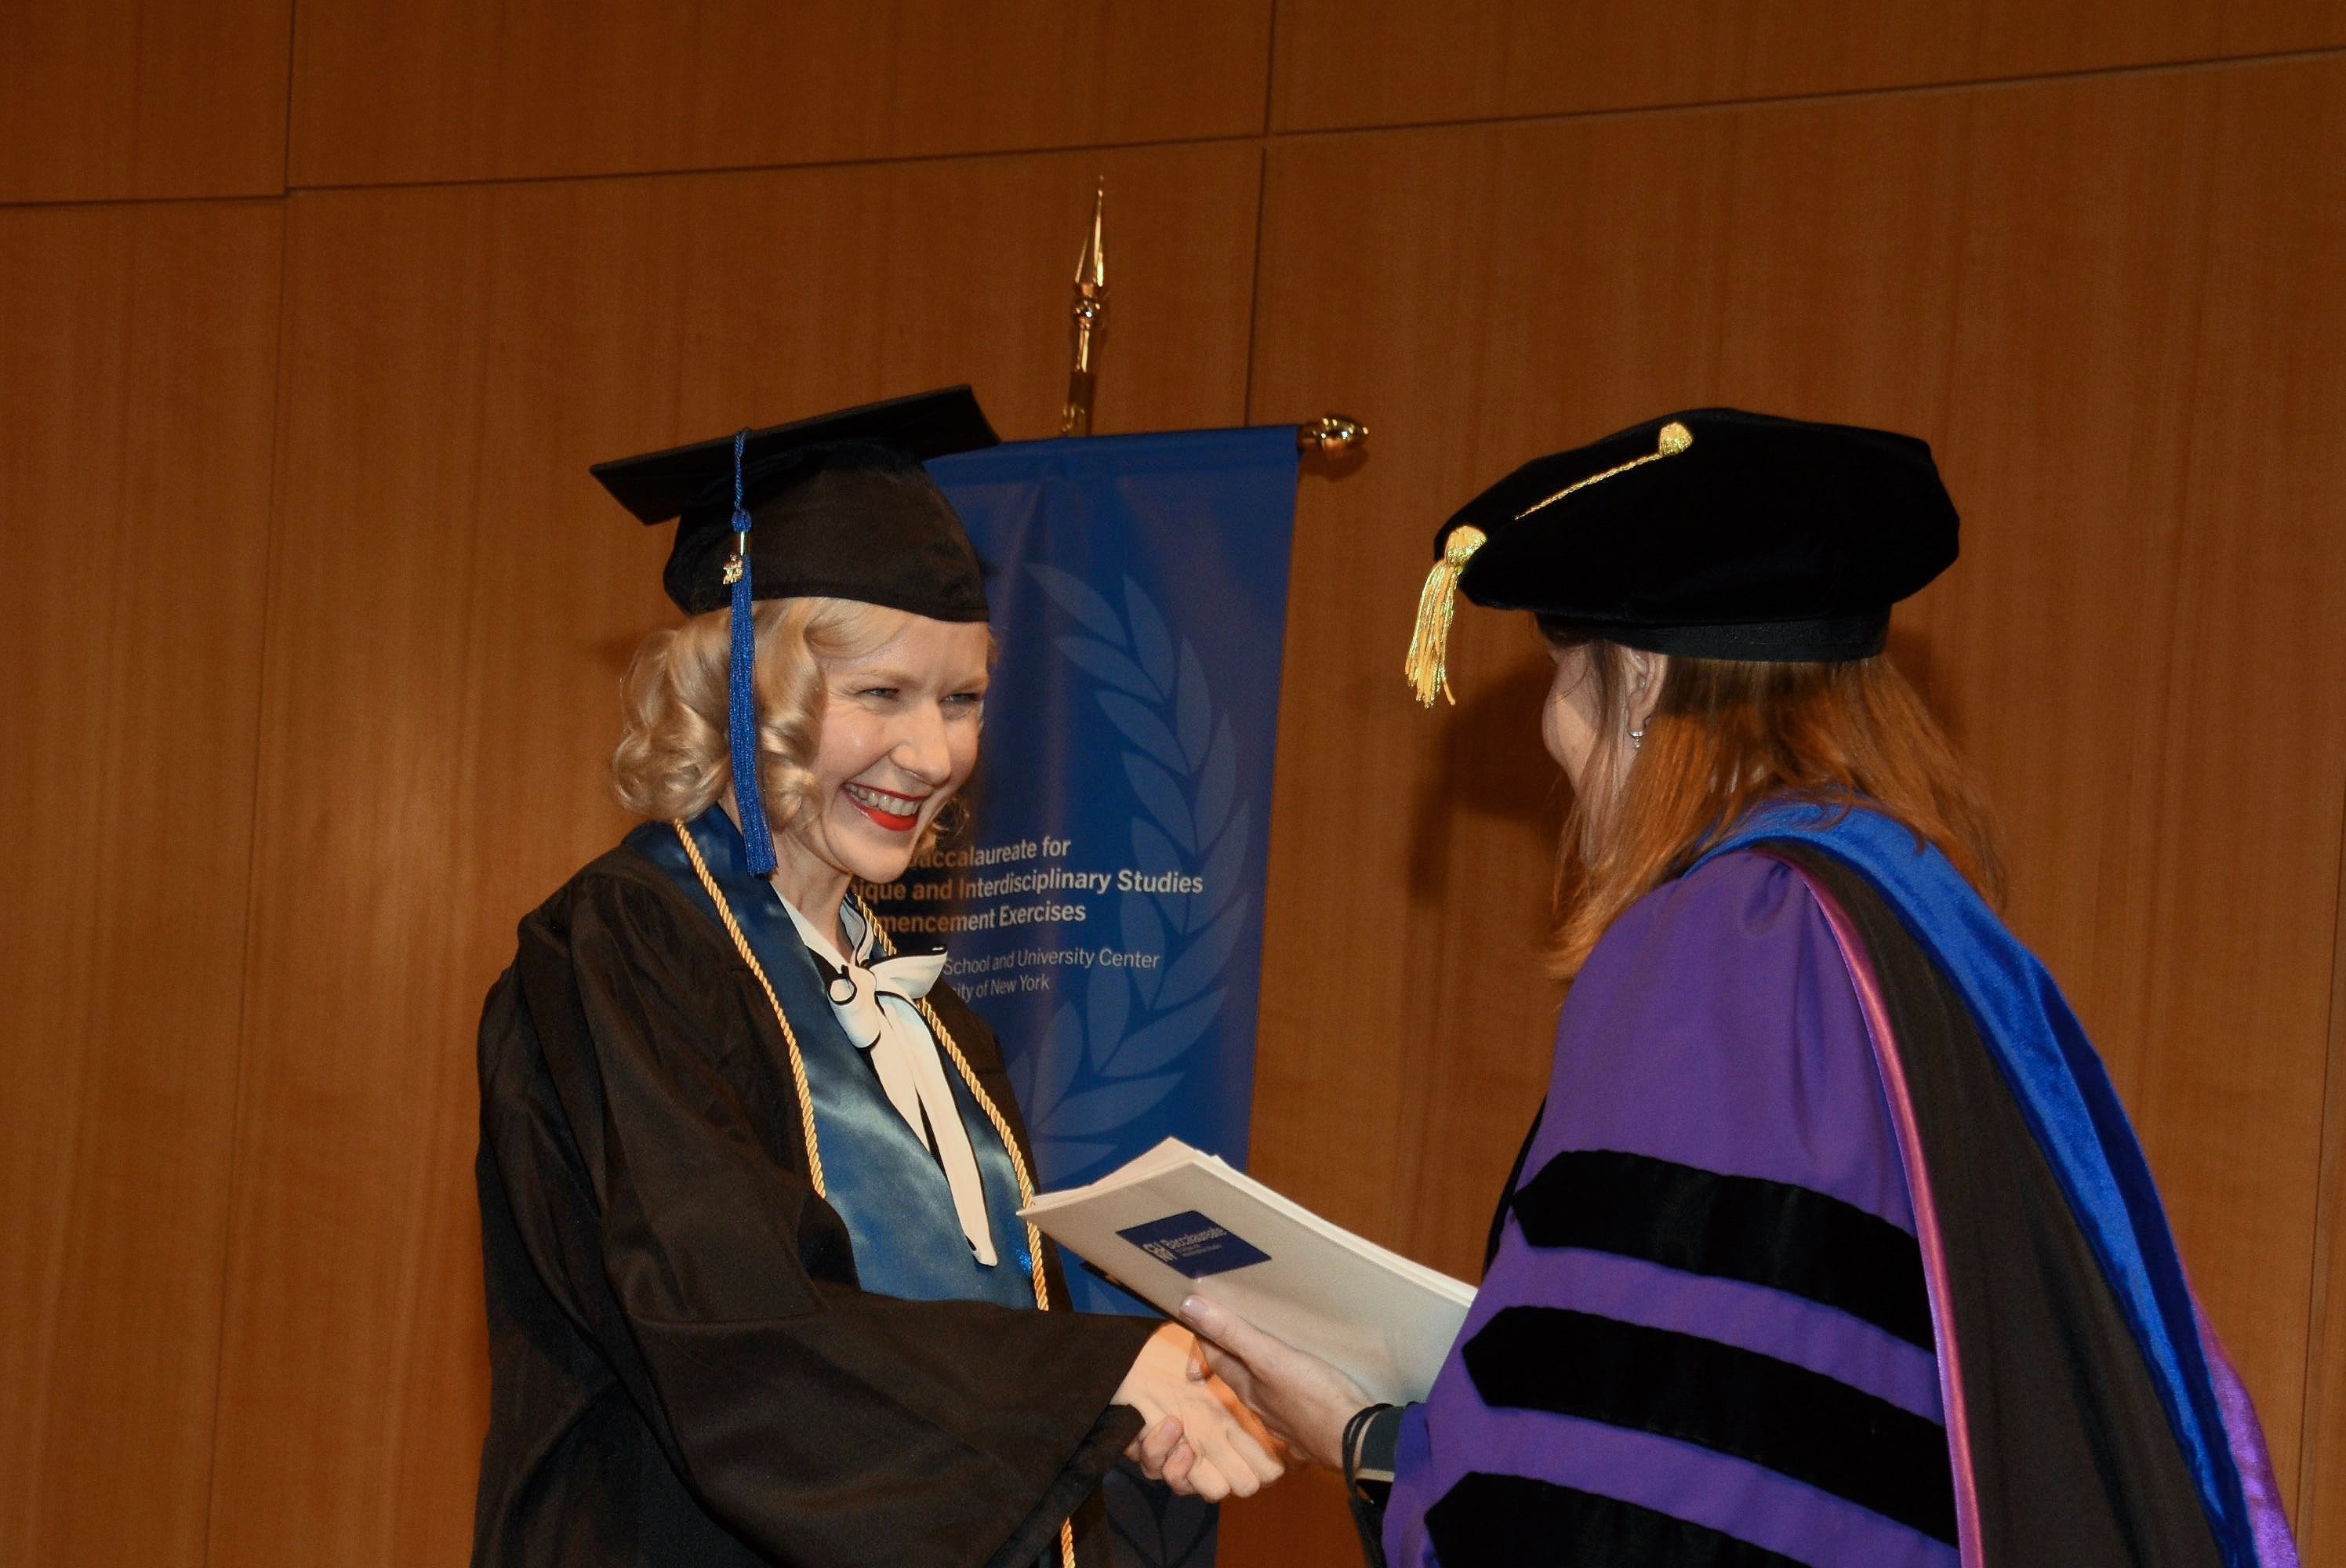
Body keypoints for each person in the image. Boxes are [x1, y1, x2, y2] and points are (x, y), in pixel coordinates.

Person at [1182, 408, 2299, 1566]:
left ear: (1646, 681)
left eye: (1567, 677)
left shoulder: (1736, 945)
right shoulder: (1919, 923)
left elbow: (1648, 1491)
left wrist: (1367, 1439)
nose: (1557, 738)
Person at [470, 387, 1278, 1568]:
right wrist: (1095, 1379)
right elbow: (739, 1343)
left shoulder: (926, 1018)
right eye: (881, 695)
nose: (936, 754)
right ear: (748, 691)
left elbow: (957, 1349)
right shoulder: (624, 955)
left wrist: (1155, 1379)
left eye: (962, 700)